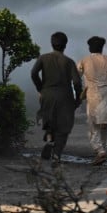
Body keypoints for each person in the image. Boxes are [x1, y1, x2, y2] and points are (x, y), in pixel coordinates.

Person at [30, 31, 83, 162]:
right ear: (65, 45)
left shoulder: (43, 58)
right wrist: (78, 99)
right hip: (65, 96)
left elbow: (33, 73)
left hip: (47, 95)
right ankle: (56, 155)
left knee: (49, 121)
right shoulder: (69, 62)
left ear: (52, 44)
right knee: (63, 128)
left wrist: (40, 88)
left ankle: (49, 140)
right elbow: (76, 82)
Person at [77, 36, 107, 166]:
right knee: (105, 124)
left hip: (93, 95)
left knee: (93, 125)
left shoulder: (84, 60)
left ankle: (100, 150)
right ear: (102, 48)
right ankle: (102, 149)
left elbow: (76, 75)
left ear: (89, 48)